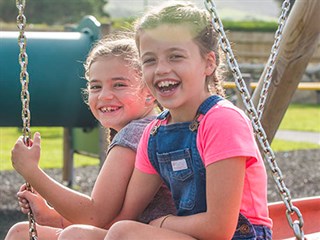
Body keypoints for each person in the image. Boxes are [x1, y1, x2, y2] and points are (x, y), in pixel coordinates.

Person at [101, 2, 272, 239]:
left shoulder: (222, 120)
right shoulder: (155, 134)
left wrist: (161, 224)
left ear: (209, 63)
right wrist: (55, 221)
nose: (161, 69)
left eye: (175, 57)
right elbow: (125, 215)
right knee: (77, 235)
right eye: (149, 60)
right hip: (188, 234)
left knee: (124, 233)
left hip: (238, 235)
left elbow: (219, 228)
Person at [5, 33, 175, 240]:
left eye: (119, 85)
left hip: (153, 234)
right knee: (22, 233)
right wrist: (51, 216)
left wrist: (32, 171)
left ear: (149, 92)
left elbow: (94, 215)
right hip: (132, 230)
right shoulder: (148, 127)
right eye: (95, 86)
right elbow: (110, 218)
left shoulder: (135, 134)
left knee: (75, 235)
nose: (104, 95)